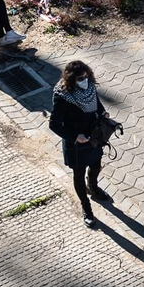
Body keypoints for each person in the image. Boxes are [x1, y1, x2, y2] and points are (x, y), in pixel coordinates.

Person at [49, 61, 117, 227]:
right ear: (71, 78)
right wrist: (75, 136)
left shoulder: (90, 87)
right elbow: (54, 124)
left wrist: (102, 112)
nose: (85, 79)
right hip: (76, 142)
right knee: (78, 174)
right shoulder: (62, 96)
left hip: (93, 137)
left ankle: (92, 187)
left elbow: (95, 102)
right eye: (80, 78)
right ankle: (86, 206)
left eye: (86, 76)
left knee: (95, 165)